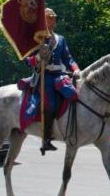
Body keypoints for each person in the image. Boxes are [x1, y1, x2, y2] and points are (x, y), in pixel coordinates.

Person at [25, 8, 80, 154]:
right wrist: (37, 58)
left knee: (74, 94)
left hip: (59, 75)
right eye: (50, 18)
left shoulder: (60, 39)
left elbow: (68, 58)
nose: (54, 21)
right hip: (45, 76)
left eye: (54, 18)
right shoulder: (37, 39)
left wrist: (75, 69)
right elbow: (26, 60)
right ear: (44, 20)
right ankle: (47, 138)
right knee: (49, 104)